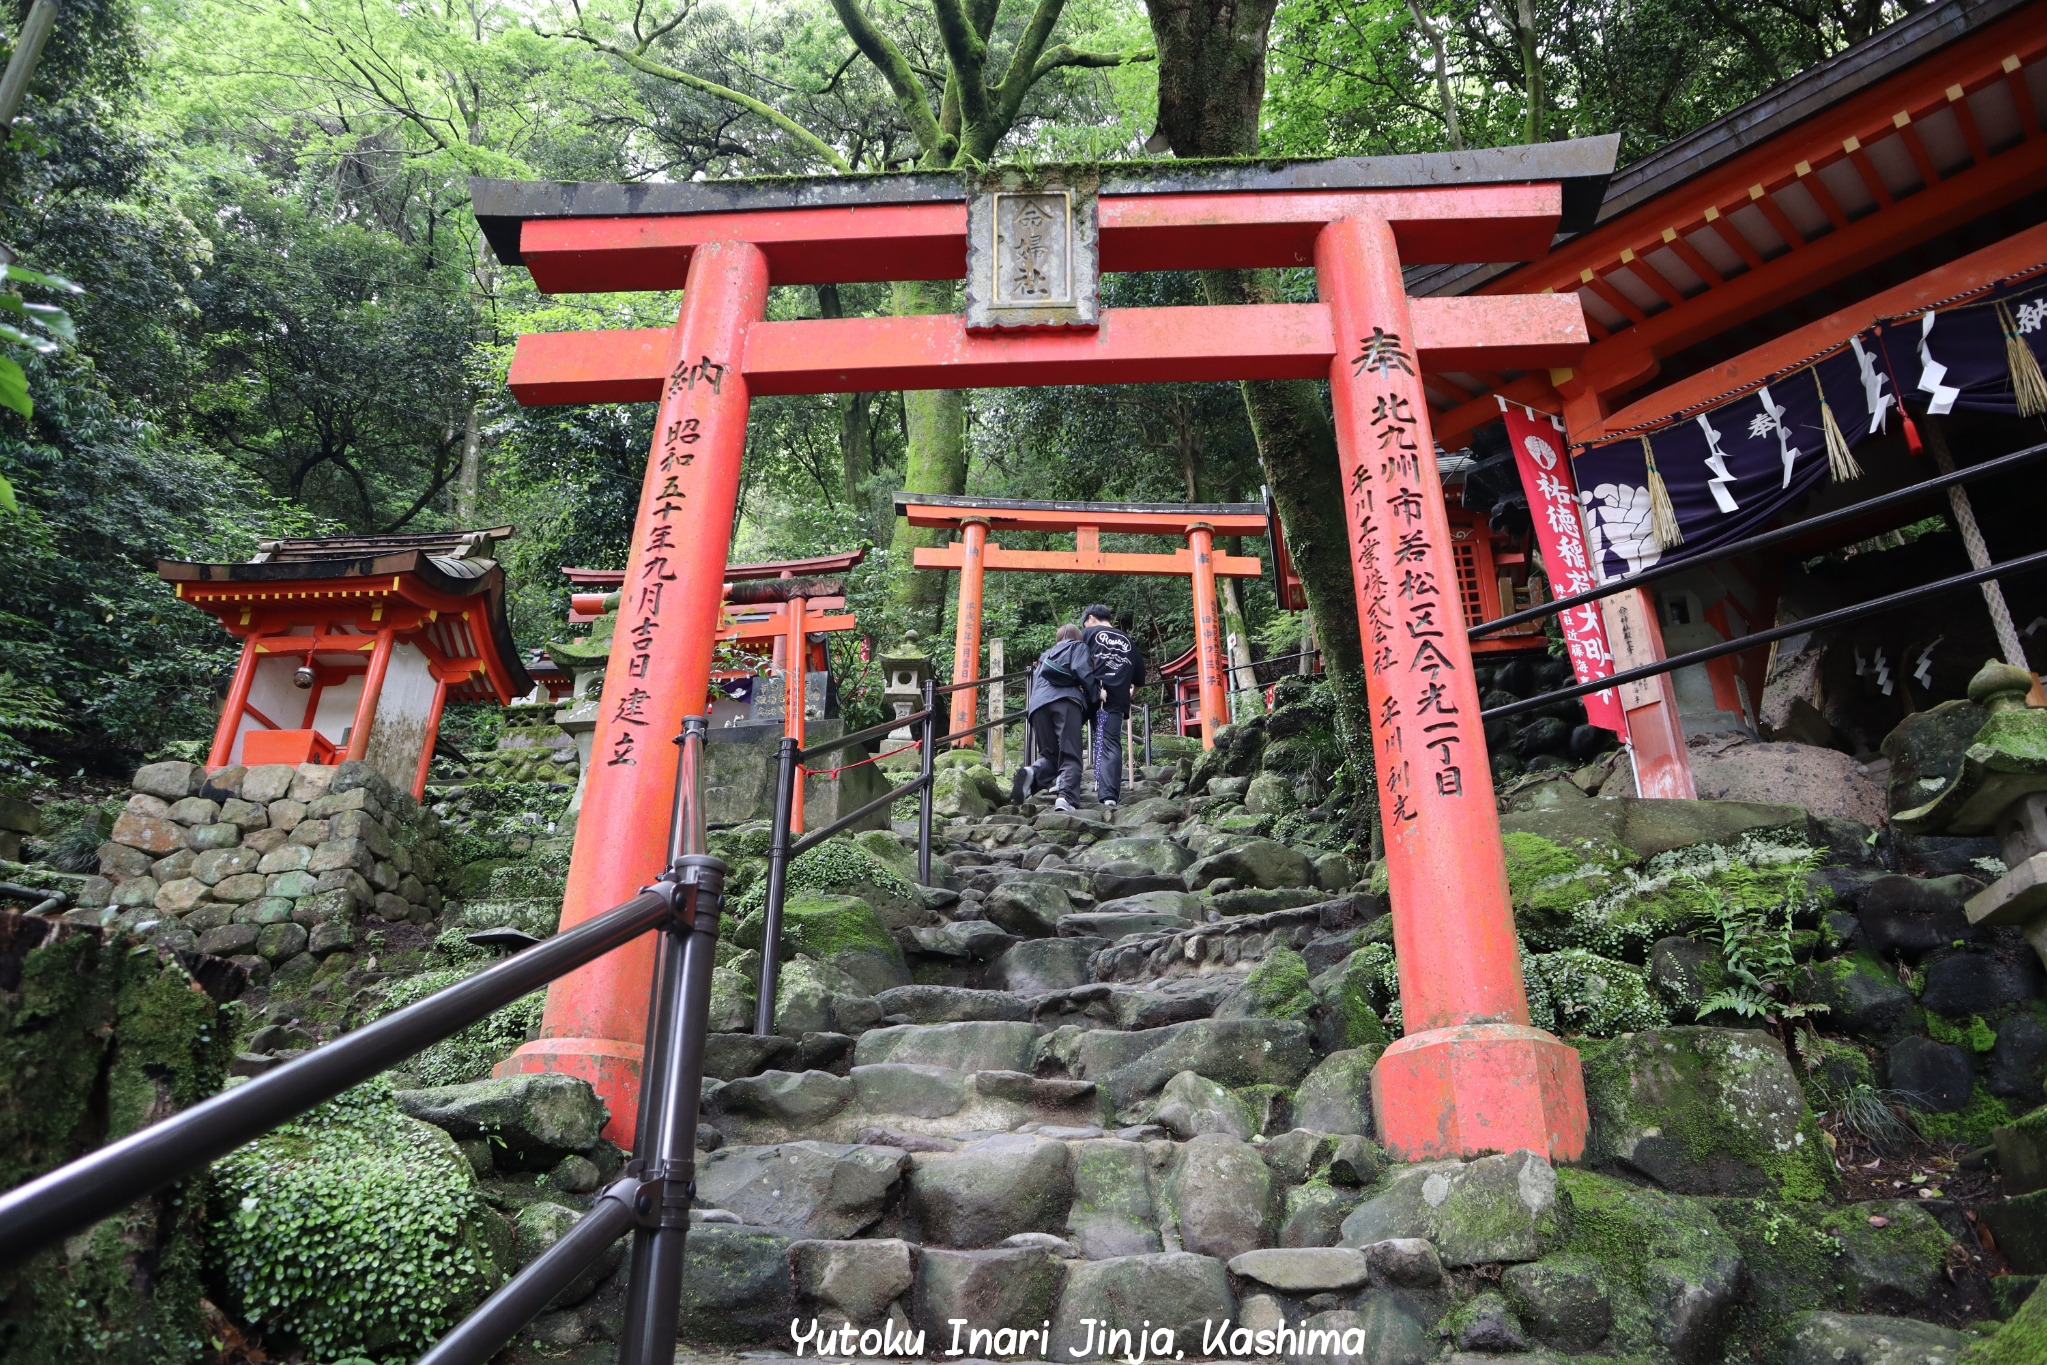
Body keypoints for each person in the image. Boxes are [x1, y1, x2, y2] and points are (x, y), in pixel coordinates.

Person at [1013, 623, 1096, 811]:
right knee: (1070, 753)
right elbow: (1082, 671)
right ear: (1078, 637)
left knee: (1051, 755)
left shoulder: (1045, 656)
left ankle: (1032, 773)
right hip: (1065, 702)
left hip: (1037, 707)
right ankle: (1066, 798)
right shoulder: (1078, 647)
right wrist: (1095, 695)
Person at [1081, 603, 1142, 807]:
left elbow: (1074, 662)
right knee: (1110, 743)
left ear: (1090, 618)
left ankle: (1064, 789)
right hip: (1115, 698)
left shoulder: (1087, 634)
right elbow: (1139, 678)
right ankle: (1109, 796)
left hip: (1086, 693)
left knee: (1068, 736)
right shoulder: (1128, 641)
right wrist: (1131, 694)